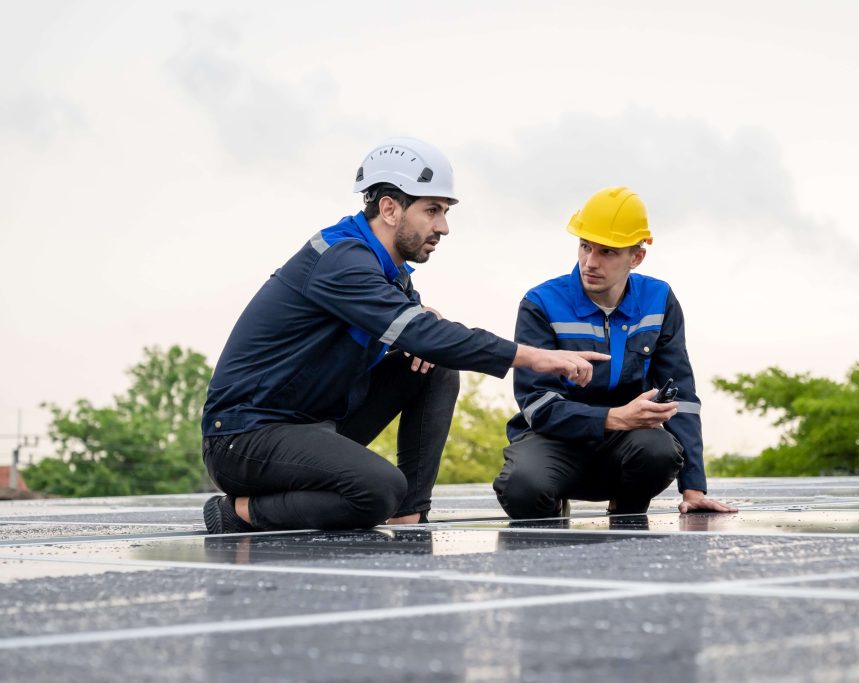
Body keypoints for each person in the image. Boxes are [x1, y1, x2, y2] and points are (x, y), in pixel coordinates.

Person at [201, 137, 607, 534]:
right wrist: (536, 356)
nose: (443, 227)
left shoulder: (388, 273)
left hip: (312, 426)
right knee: (378, 489)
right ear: (390, 208)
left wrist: (419, 326)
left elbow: (420, 333)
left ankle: (409, 513)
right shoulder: (341, 259)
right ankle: (239, 512)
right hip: (244, 438)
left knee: (434, 368)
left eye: (445, 211)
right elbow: (422, 331)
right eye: (432, 210)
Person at [493, 186, 737, 518]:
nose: (590, 262)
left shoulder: (658, 300)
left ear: (636, 257)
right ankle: (551, 503)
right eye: (585, 246)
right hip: (554, 441)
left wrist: (693, 488)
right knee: (522, 486)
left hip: (627, 445)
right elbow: (537, 403)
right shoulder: (541, 303)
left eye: (607, 252)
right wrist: (612, 417)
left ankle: (626, 511)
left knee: (660, 451)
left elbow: (681, 394)